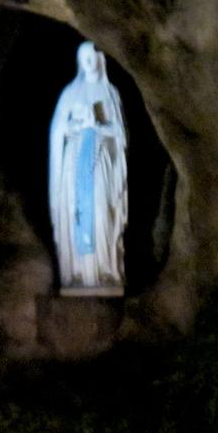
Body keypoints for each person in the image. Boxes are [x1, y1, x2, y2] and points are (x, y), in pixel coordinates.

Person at [48, 40, 128, 293]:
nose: (89, 63)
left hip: (100, 160)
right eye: (84, 59)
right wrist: (76, 127)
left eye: (93, 58)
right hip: (76, 163)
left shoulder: (110, 93)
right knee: (78, 213)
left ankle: (105, 269)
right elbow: (58, 129)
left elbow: (120, 133)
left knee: (101, 212)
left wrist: (98, 128)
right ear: (80, 64)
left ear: (100, 60)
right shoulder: (70, 93)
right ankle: (81, 272)